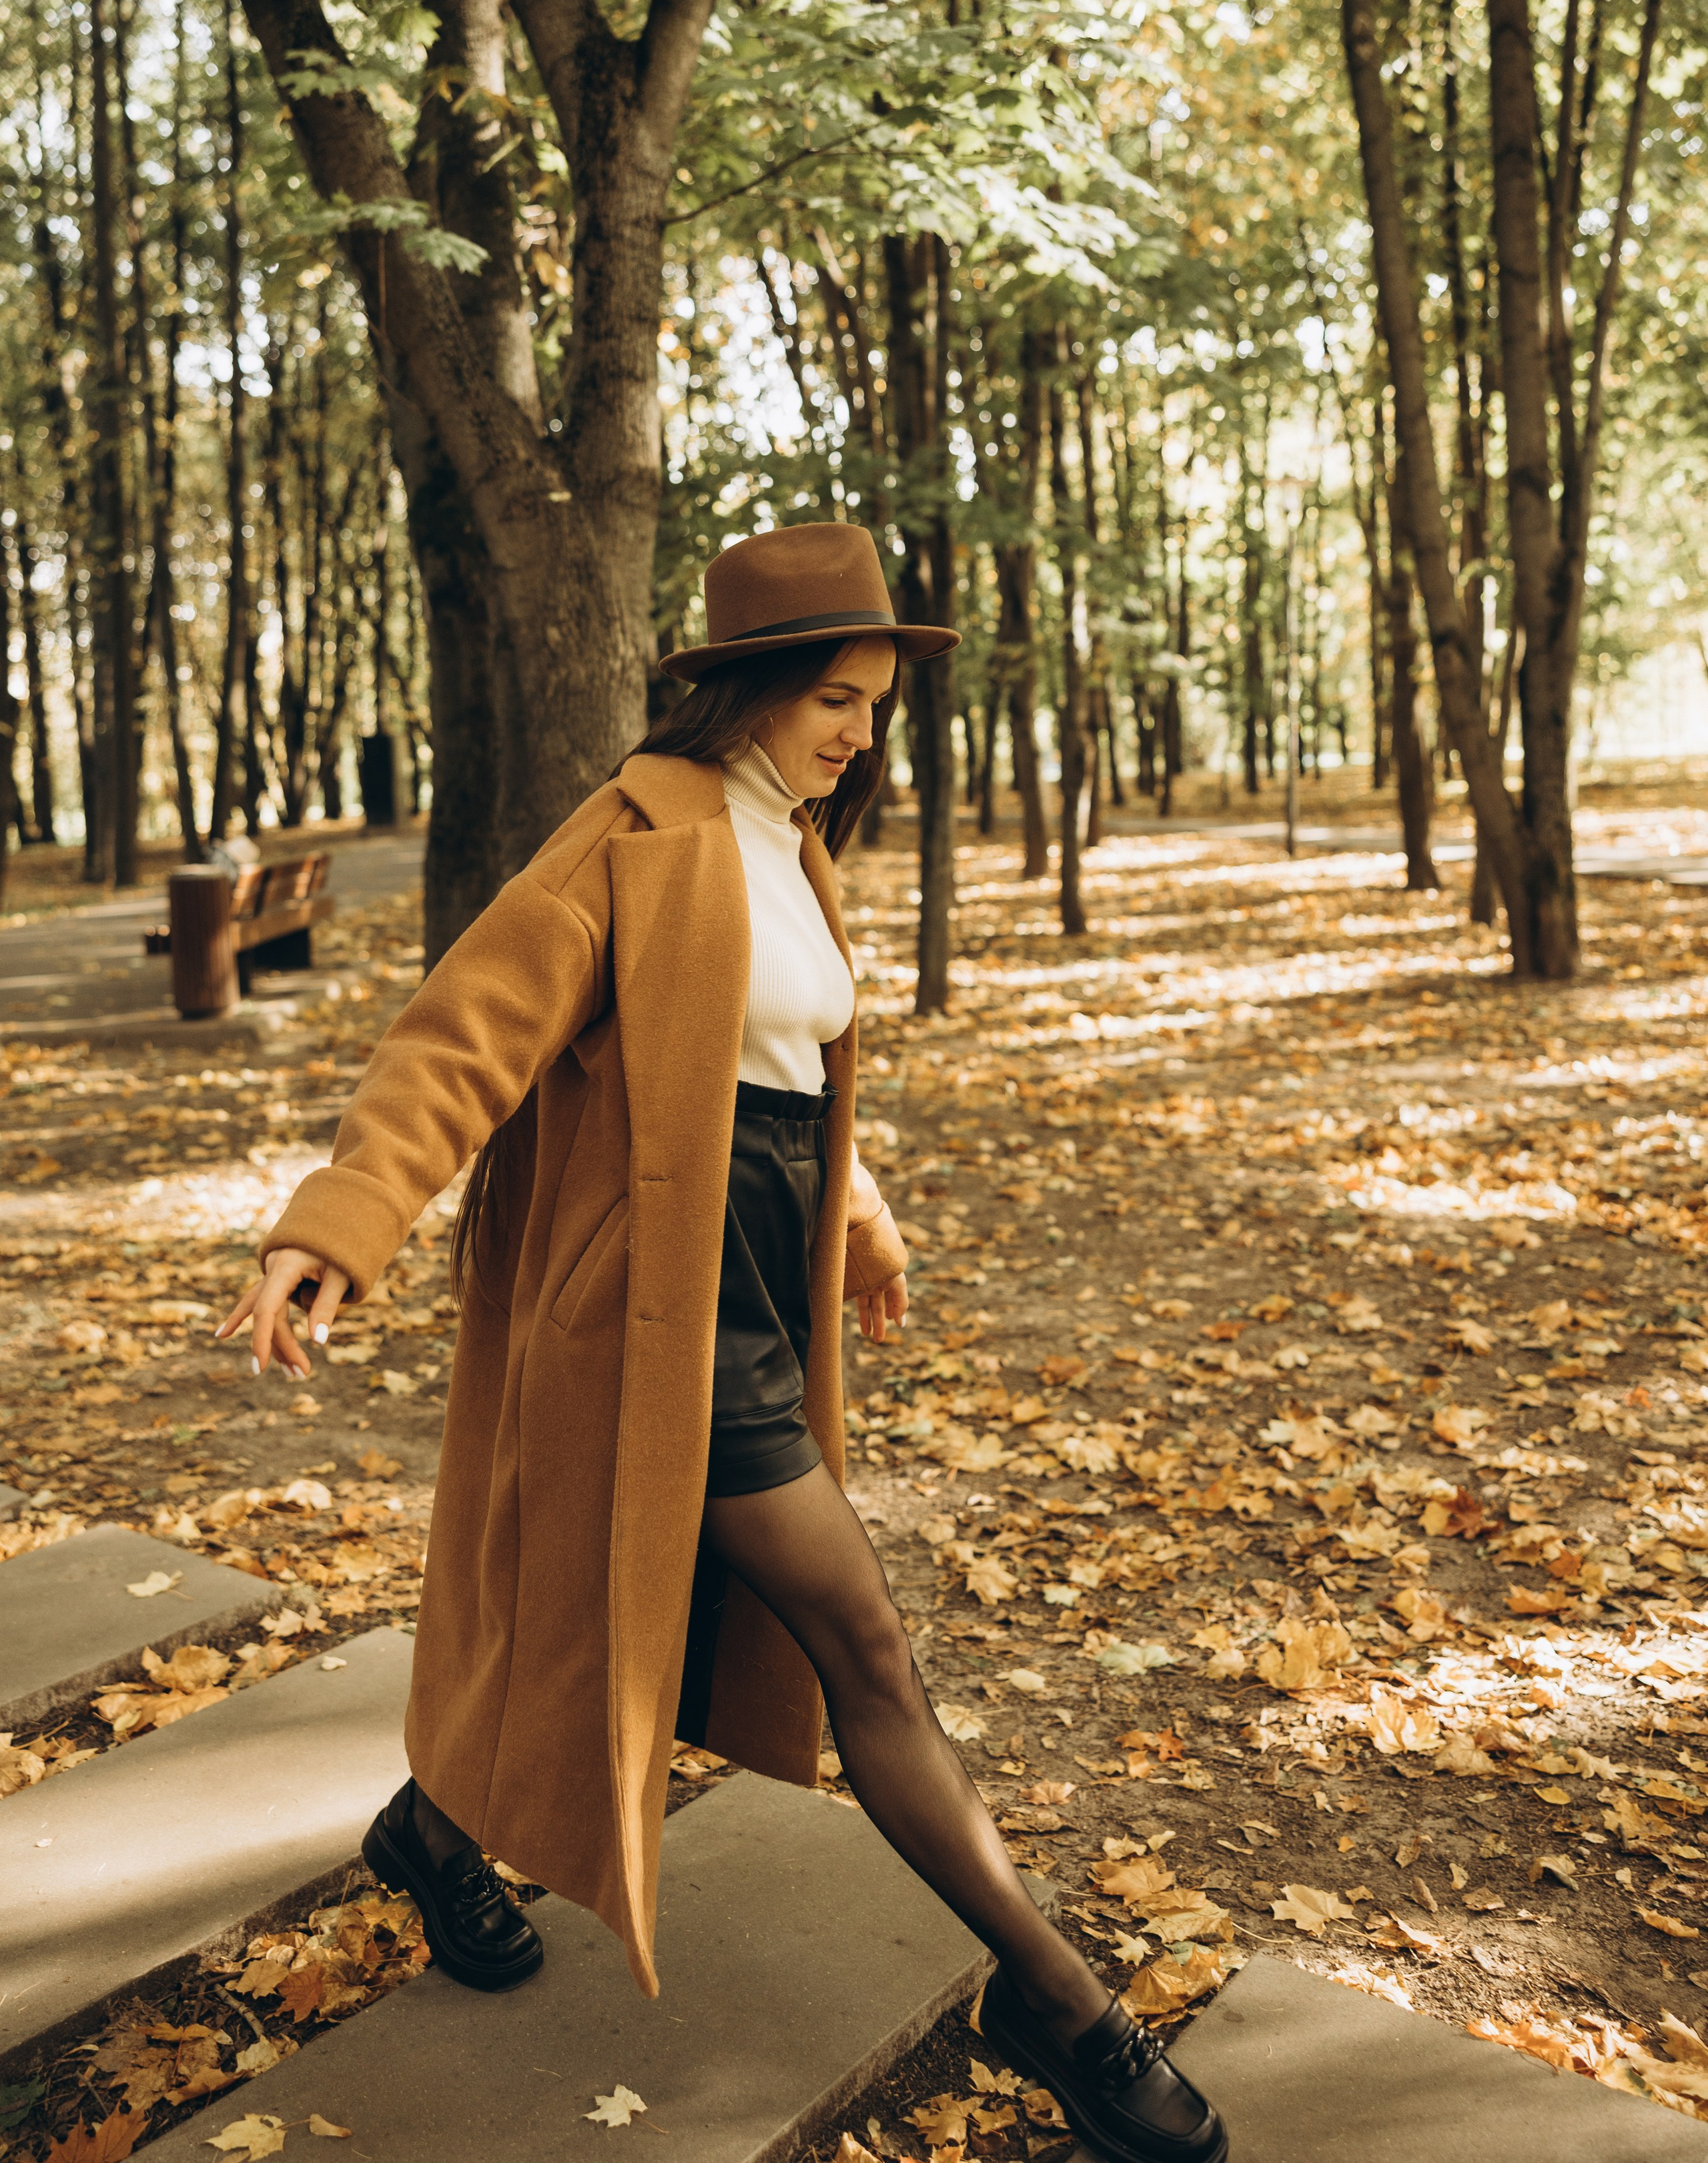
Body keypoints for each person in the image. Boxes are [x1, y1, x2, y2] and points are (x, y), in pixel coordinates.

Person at [218, 523, 1225, 2163]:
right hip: (656, 1323)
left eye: (875, 705)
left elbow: (774, 1063)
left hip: (752, 1288)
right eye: (834, 699)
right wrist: (334, 1223)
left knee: (581, 1611)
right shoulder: (634, 837)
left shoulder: (788, 839)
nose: (859, 735)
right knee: (862, 1645)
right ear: (748, 690)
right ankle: (1057, 2002)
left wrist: (861, 1221)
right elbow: (458, 1038)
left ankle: (430, 1831)